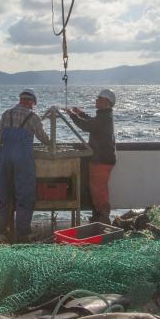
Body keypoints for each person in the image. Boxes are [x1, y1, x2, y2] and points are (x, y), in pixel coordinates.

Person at [0, 88, 51, 242]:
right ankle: (23, 234)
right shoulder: (33, 117)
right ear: (32, 102)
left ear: (20, 99)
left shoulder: (7, 114)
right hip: (22, 160)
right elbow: (42, 137)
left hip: (5, 159)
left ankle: (1, 231)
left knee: (4, 195)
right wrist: (52, 144)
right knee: (24, 196)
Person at [65, 88, 117, 224]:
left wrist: (72, 115)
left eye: (99, 99)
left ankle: (104, 219)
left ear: (106, 102)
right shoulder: (104, 116)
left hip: (101, 160)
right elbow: (92, 122)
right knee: (96, 189)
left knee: (99, 190)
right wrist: (80, 113)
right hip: (102, 158)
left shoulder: (104, 118)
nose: (96, 100)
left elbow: (87, 125)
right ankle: (98, 216)